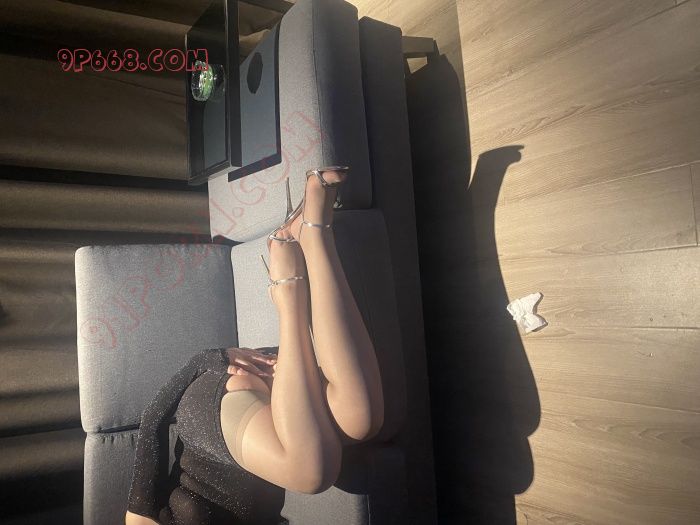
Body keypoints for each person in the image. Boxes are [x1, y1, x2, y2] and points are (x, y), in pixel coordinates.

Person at [125, 166, 386, 524]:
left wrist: (208, 360)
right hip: (278, 436)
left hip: (213, 417)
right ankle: (312, 232)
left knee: (312, 472)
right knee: (361, 418)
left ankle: (287, 293)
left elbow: (151, 421)